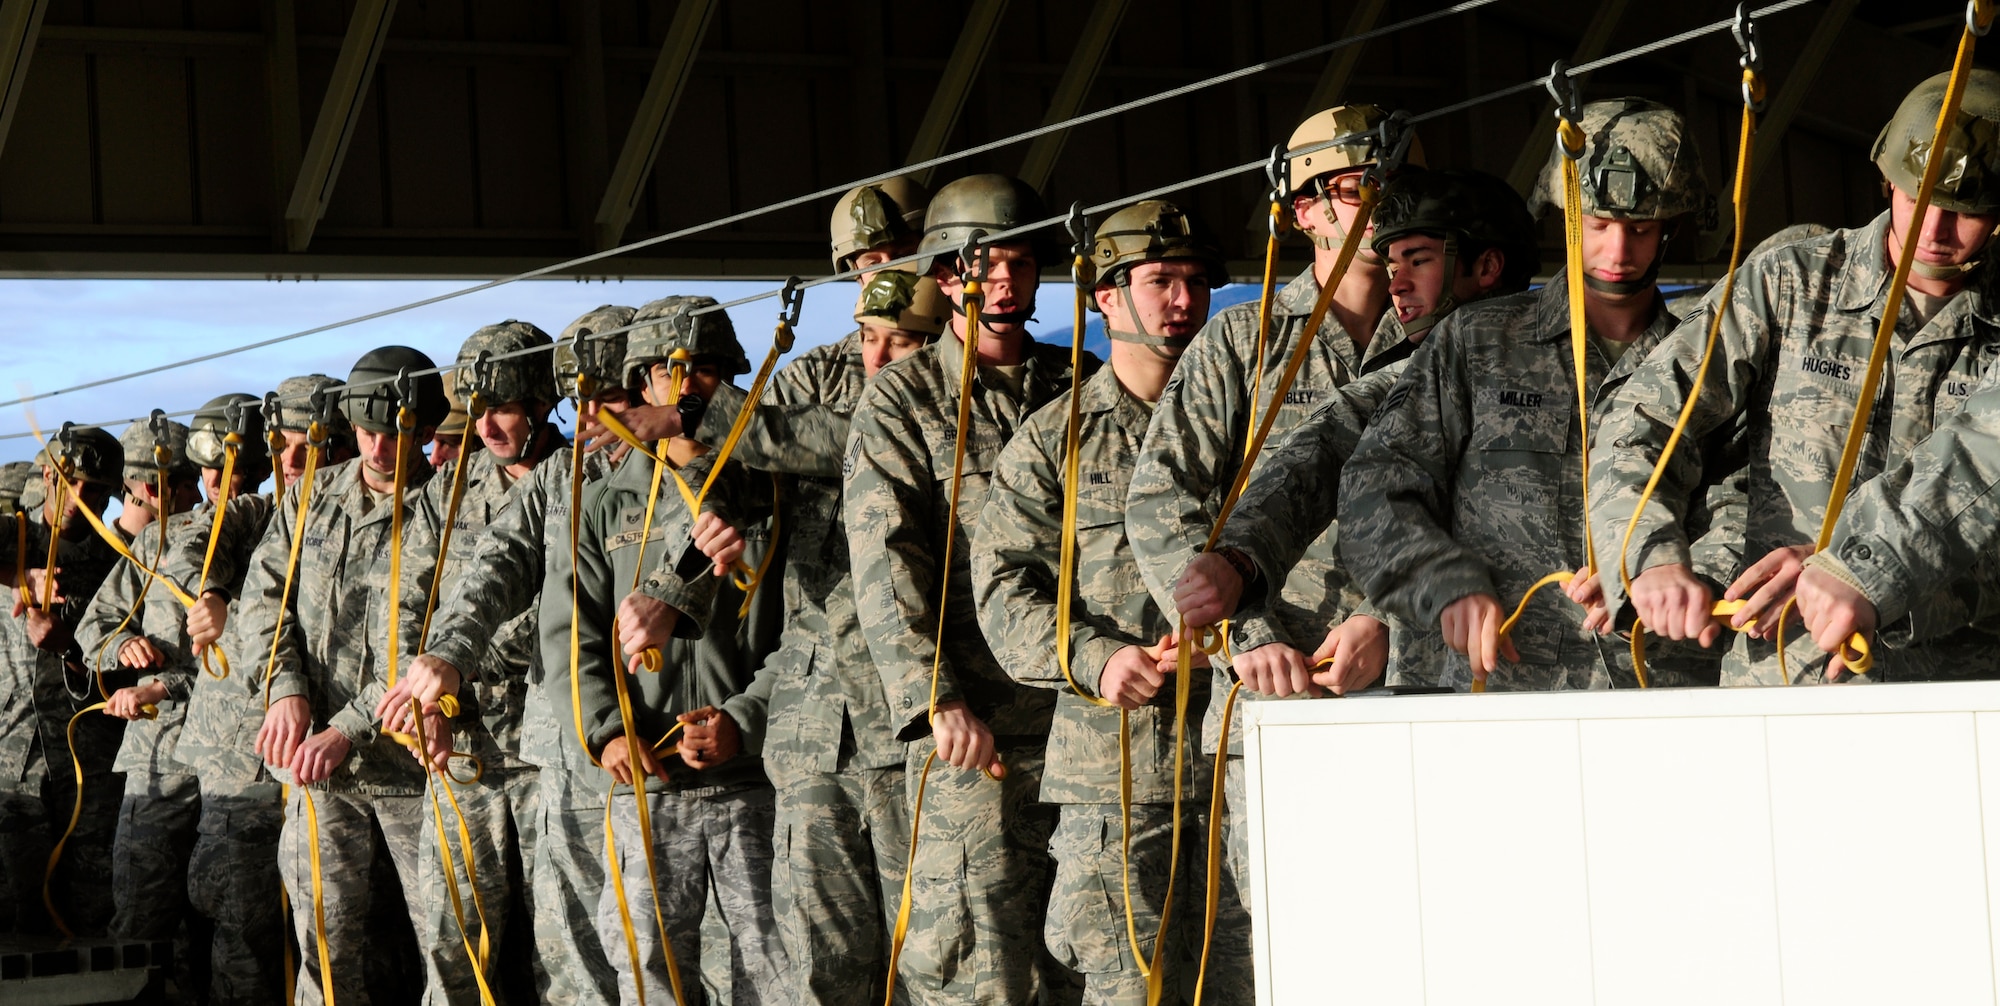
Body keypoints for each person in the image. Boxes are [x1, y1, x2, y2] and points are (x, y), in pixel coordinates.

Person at [1124, 105, 1418, 1001]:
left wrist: (1388, 621)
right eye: (1356, 187)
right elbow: (1160, 505)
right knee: (1299, 946)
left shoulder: (1455, 337)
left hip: (1418, 686)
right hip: (1276, 701)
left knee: (1419, 939)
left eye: (1389, 183)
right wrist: (1251, 637)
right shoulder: (1240, 343)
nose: (1380, 206)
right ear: (1304, 212)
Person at [1590, 70, 2000, 685]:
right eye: (1918, 200)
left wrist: (1853, 571)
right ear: (1886, 177)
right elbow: (1645, 414)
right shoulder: (1791, 282)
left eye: (1963, 213)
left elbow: (1979, 485)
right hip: (1781, 681)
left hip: (1956, 692)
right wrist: (1650, 557)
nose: (1934, 233)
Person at [1339, 98, 1721, 692]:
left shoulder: (1704, 360)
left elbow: (1745, 501)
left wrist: (1673, 571)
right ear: (1565, 217)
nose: (1618, 253)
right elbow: (1375, 486)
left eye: (1640, 229)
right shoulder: (1478, 341)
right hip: (1483, 693)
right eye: (1598, 226)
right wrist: (1442, 583)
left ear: (1670, 228)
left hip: (1649, 693)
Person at [845, 171, 1092, 1004]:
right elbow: (887, 562)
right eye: (988, 265)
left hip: (1085, 724)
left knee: (1091, 952)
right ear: (946, 275)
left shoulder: (1081, 384)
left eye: (1023, 264)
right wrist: (934, 698)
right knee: (980, 969)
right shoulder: (902, 401)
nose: (1008, 282)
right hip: (974, 736)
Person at [972, 198, 1224, 1002]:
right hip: (1116, 779)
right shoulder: (1055, 441)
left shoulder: (1249, 425)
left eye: (1195, 281)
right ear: (1105, 298)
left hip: (1242, 757)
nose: (1183, 300)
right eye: (1159, 281)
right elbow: (1003, 582)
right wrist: (1097, 656)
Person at [1177, 168, 1541, 695]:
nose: (1397, 283)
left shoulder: (1584, 371)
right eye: (1393, 264)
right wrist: (1238, 562)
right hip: (1442, 698)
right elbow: (1314, 456)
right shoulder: (1404, 385)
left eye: (1417, 261)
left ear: (1486, 265)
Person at [382, 307, 640, 1006]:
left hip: (575, 743)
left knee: (574, 947)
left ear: (540, 403)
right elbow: (459, 587)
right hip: (471, 748)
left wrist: (463, 662)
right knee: (452, 942)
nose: (487, 426)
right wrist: (432, 678)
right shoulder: (457, 493)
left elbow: (562, 609)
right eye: (478, 409)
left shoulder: (596, 474)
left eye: (503, 408)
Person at [553, 294, 789, 1006]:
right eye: (664, 370)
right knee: (648, 965)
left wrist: (746, 720)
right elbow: (575, 633)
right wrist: (607, 731)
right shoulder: (603, 500)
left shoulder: (775, 487)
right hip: (646, 781)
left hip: (755, 778)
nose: (684, 387)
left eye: (706, 370)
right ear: (641, 381)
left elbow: (800, 635)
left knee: (771, 964)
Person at [236, 346, 452, 1005]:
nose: (380, 447)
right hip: (317, 773)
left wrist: (346, 728)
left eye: (396, 432)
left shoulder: (451, 508)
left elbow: (435, 637)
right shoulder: (309, 499)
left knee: (449, 951)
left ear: (424, 426)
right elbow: (263, 601)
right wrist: (286, 690)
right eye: (366, 432)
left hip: (417, 769)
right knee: (325, 953)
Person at [165, 392, 300, 1006]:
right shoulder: (253, 514)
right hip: (238, 752)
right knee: (237, 915)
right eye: (208, 470)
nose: (214, 481)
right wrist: (215, 592)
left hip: (317, 751)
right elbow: (193, 548)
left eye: (231, 468)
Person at [74, 415, 206, 998]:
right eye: (137, 490)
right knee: (138, 923)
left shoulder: (245, 534)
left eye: (154, 486)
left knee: (228, 927)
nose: (145, 498)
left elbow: (248, 663)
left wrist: (162, 687)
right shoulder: (149, 550)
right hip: (155, 759)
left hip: (229, 762)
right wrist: (120, 643)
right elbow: (92, 629)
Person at [0, 425, 126, 936]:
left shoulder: (116, 559)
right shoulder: (13, 536)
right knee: (14, 916)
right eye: (72, 481)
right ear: (50, 473)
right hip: (13, 761)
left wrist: (69, 649)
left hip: (87, 761)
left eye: (95, 489)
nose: (80, 497)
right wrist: (18, 576)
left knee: (92, 912)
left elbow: (127, 667)